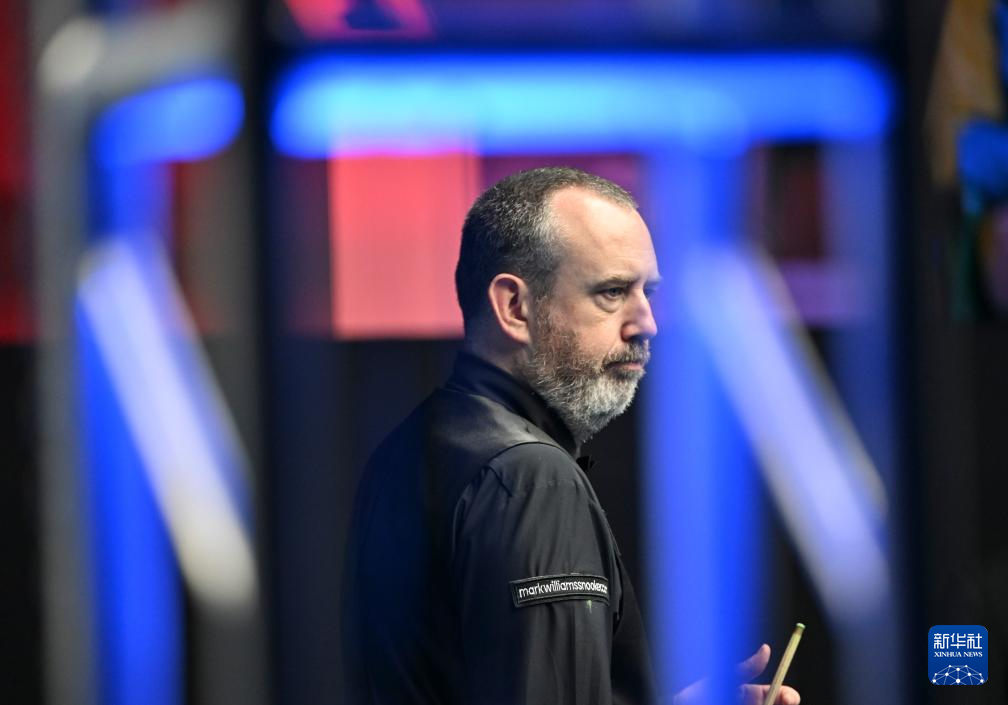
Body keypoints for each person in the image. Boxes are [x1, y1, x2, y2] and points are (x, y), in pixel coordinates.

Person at [341, 167, 800, 705]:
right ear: (515, 307)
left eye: (648, 292)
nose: (646, 322)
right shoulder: (532, 479)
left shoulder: (410, 448)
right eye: (612, 292)